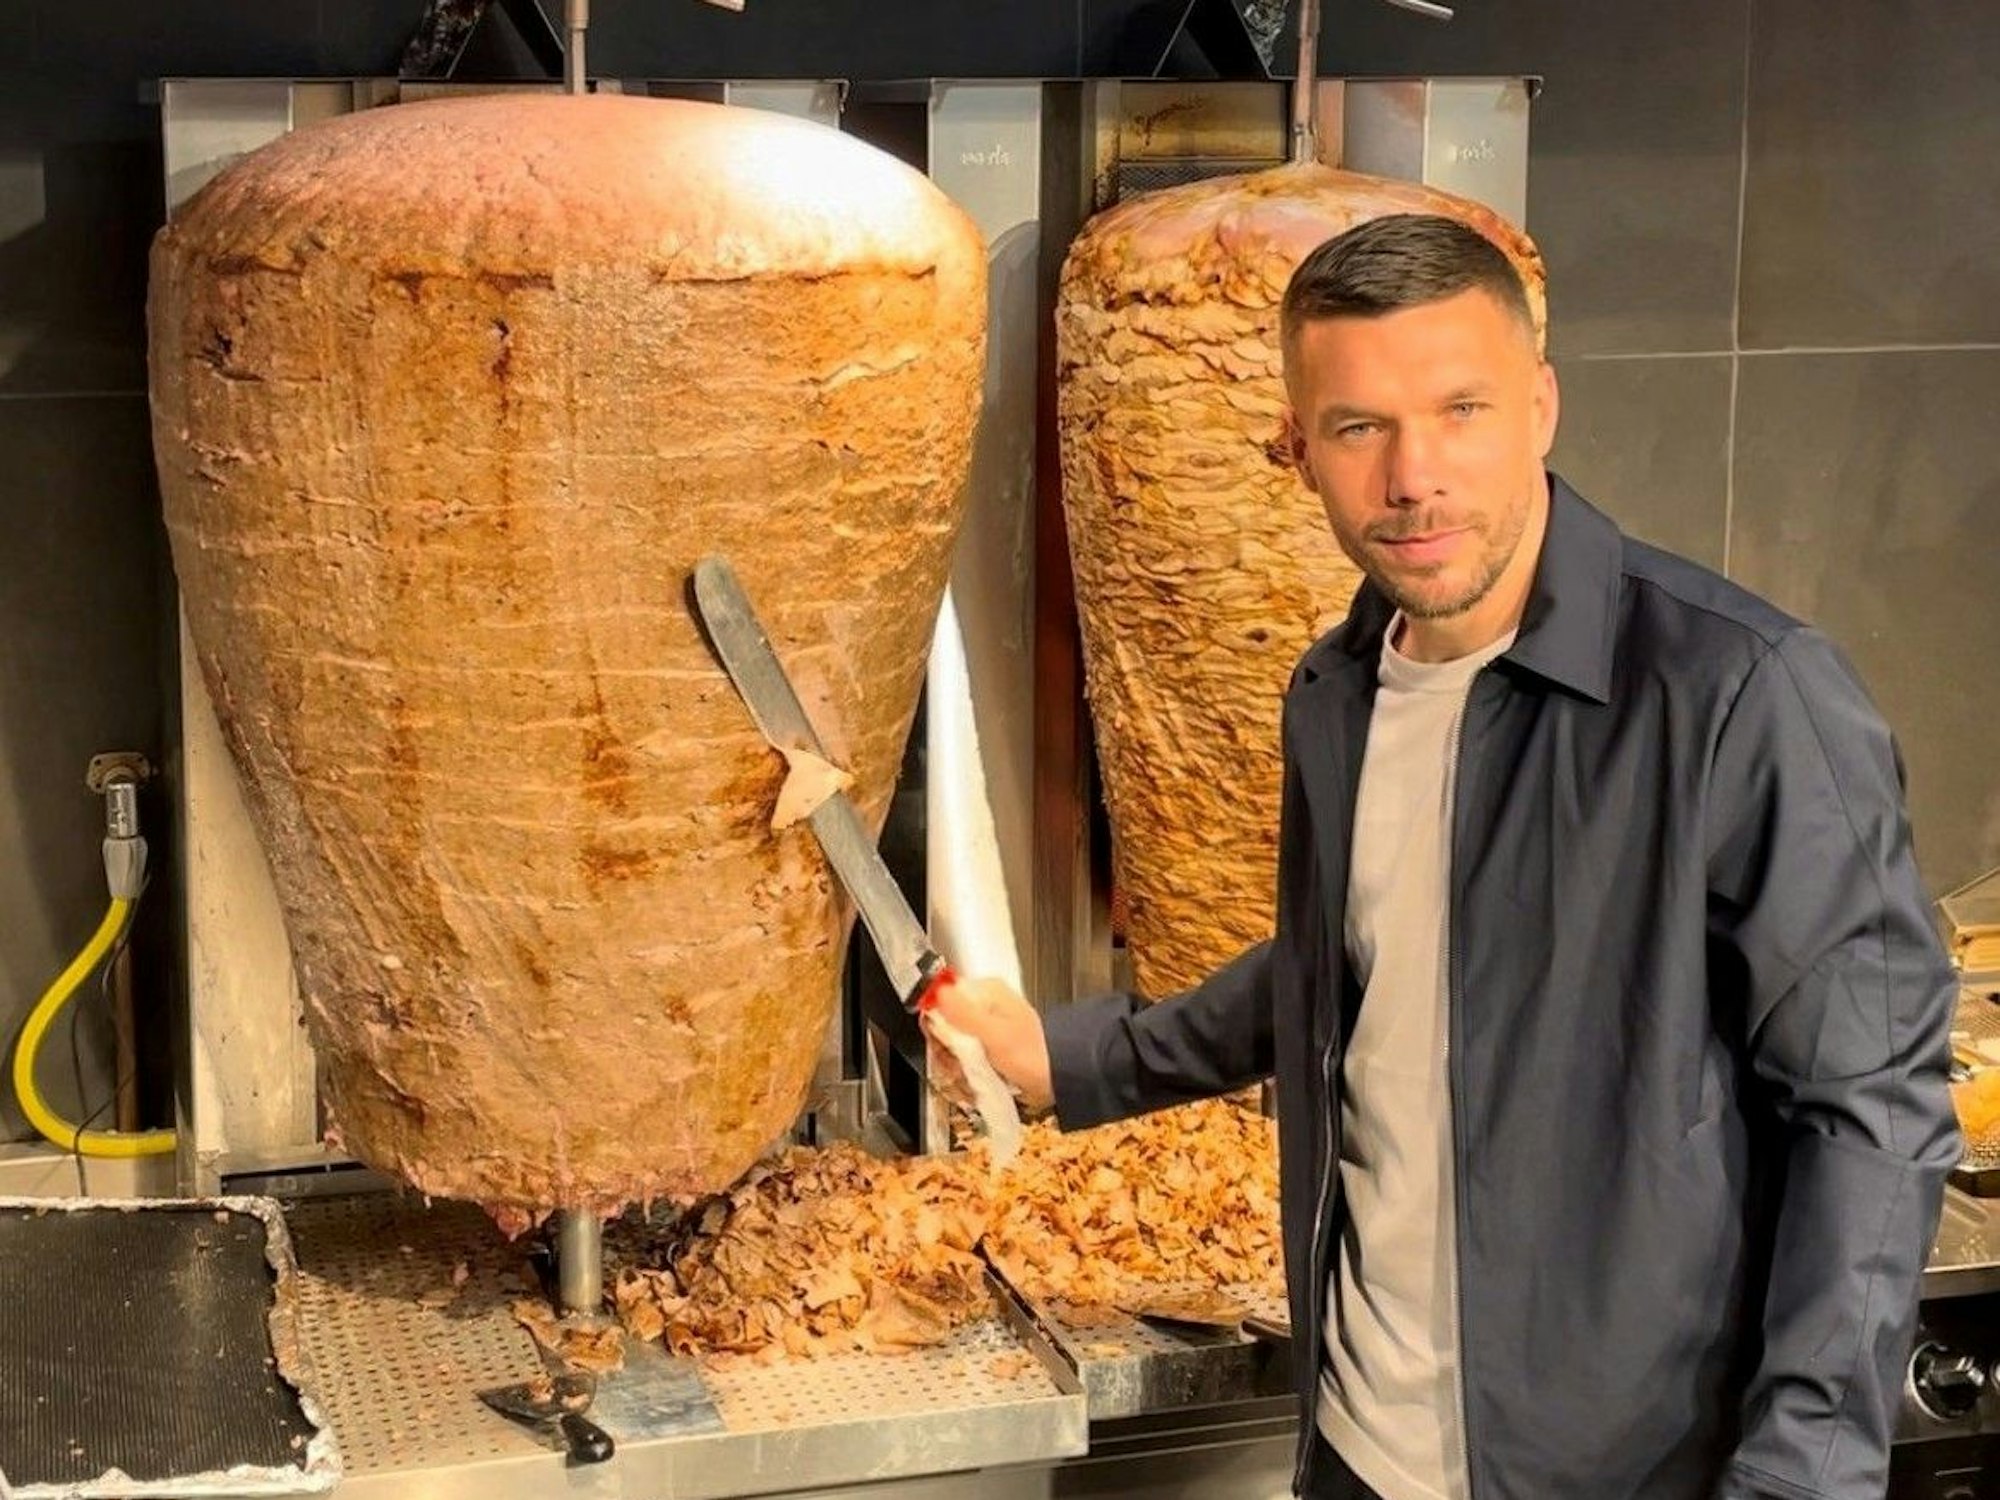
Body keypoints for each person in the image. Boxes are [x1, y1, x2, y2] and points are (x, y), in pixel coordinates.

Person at [925, 212, 1961, 1500]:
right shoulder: (1343, 690)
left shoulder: (1741, 696)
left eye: (1459, 410)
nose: (1413, 476)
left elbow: (1873, 1116)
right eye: (1360, 428)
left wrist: (1803, 1478)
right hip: (1362, 1453)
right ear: (1298, 449)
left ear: (1540, 407)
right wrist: (1075, 1055)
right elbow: (1354, 960)